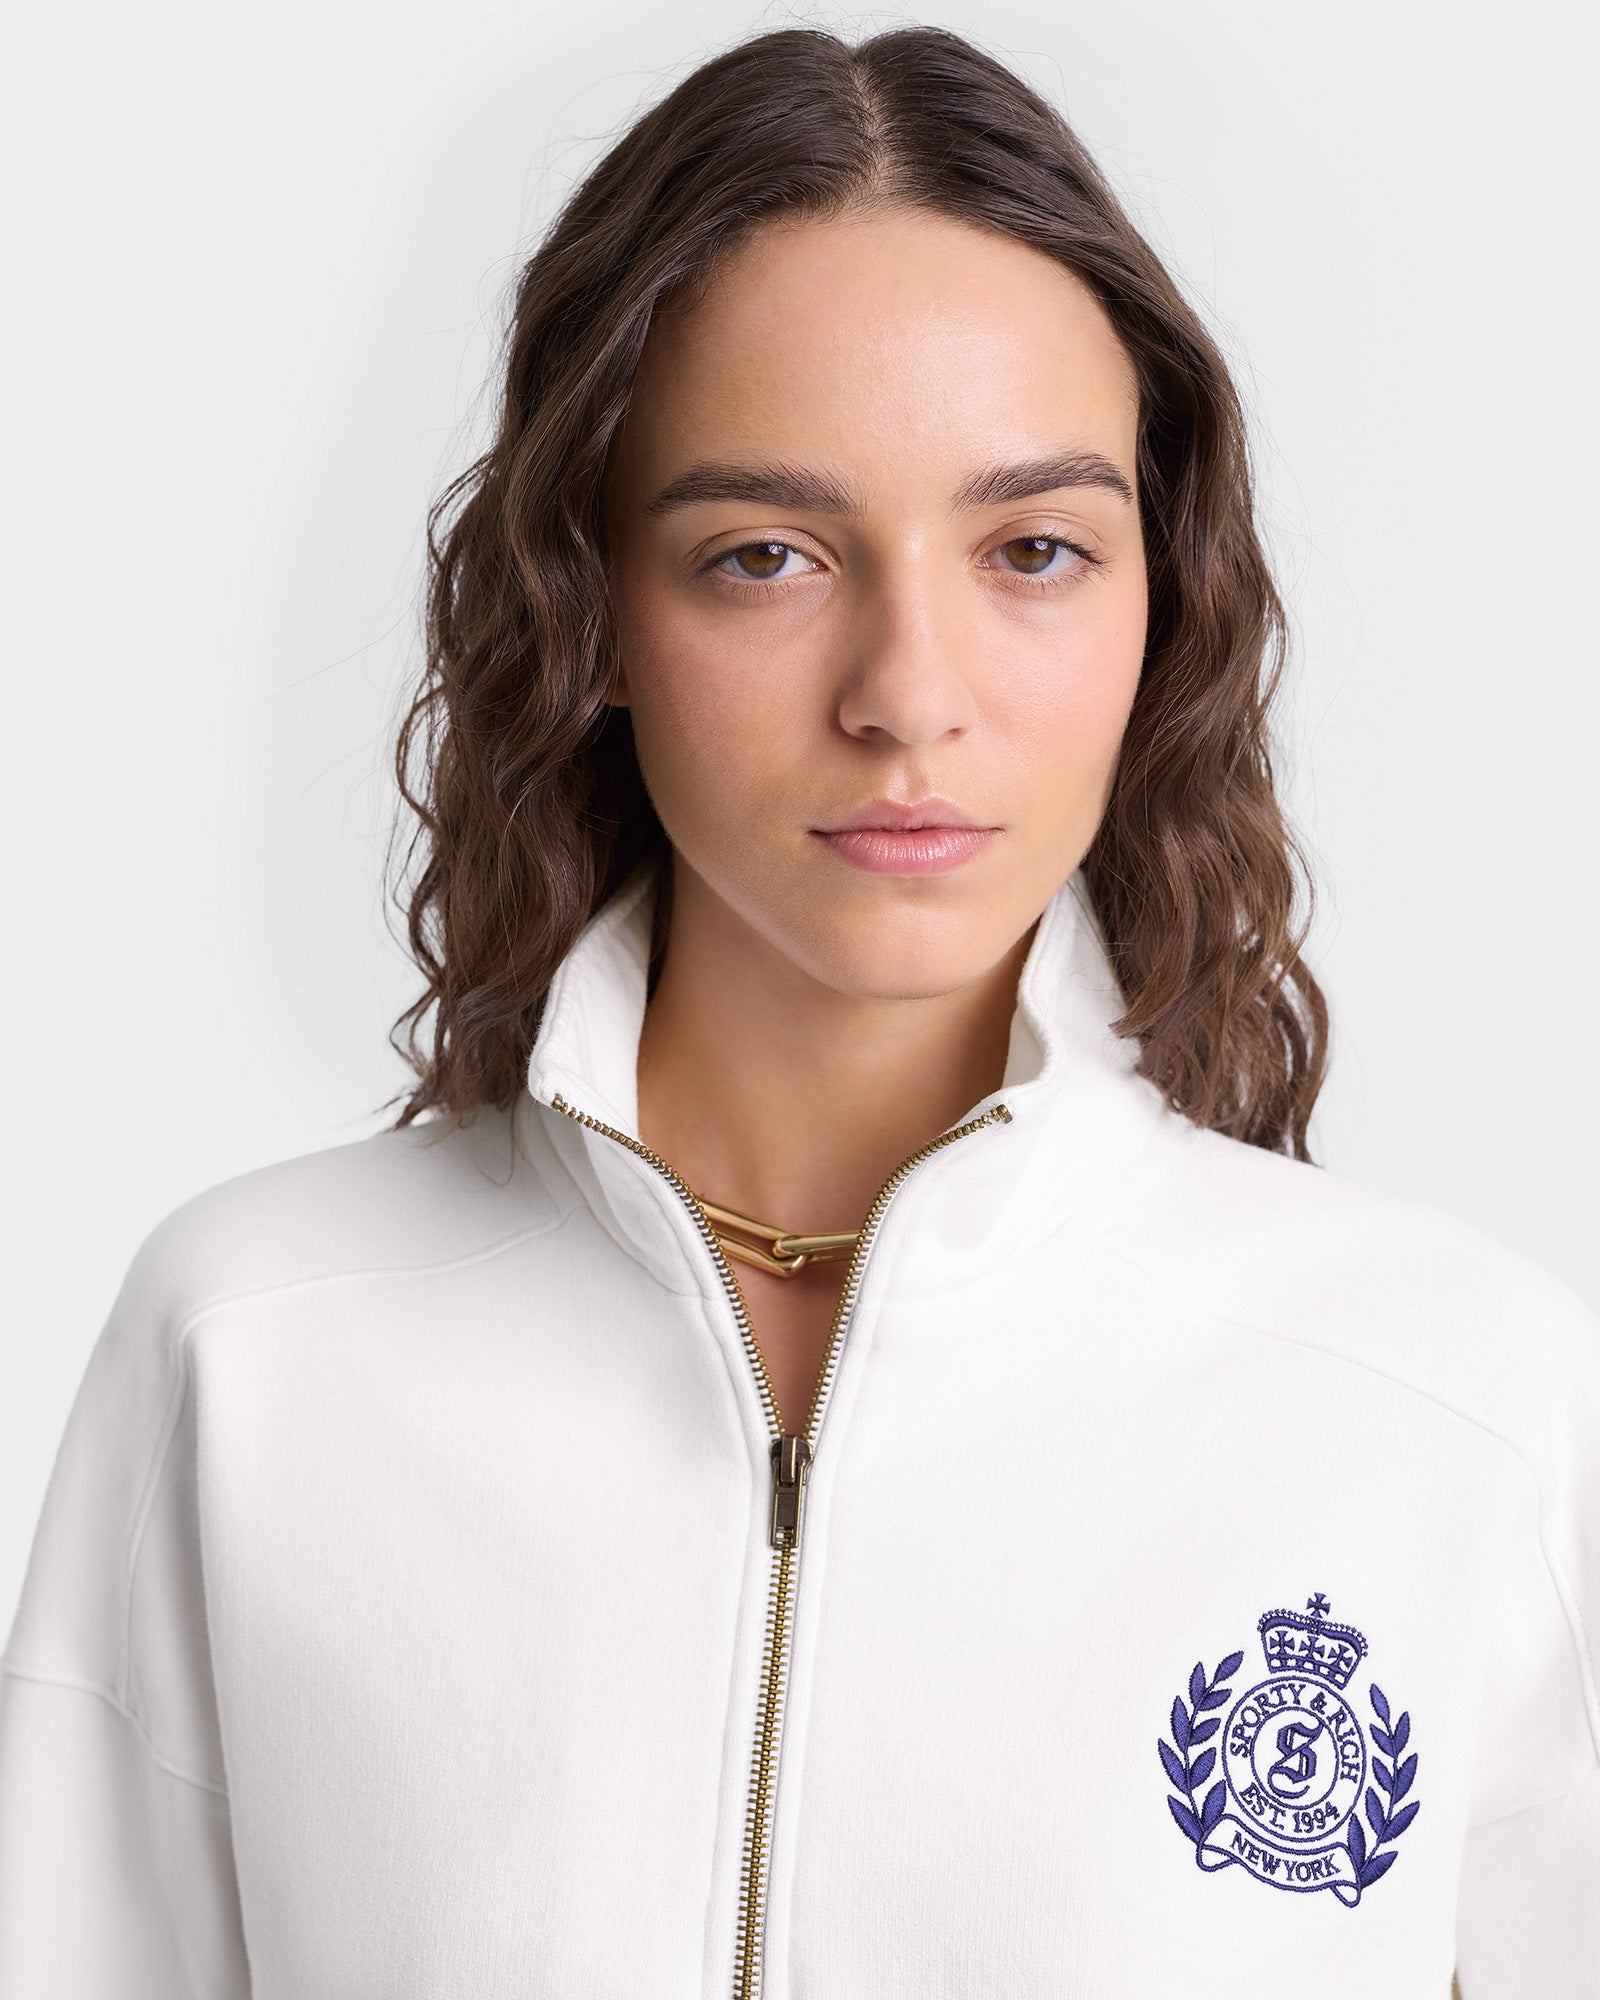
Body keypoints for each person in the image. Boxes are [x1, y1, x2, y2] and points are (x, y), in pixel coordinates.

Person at [1, 23, 1595, 1998]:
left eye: (1034, 550)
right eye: (763, 556)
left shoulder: (1461, 1413)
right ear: (591, 606)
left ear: (1158, 599)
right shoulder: (252, 1352)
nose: (907, 691)